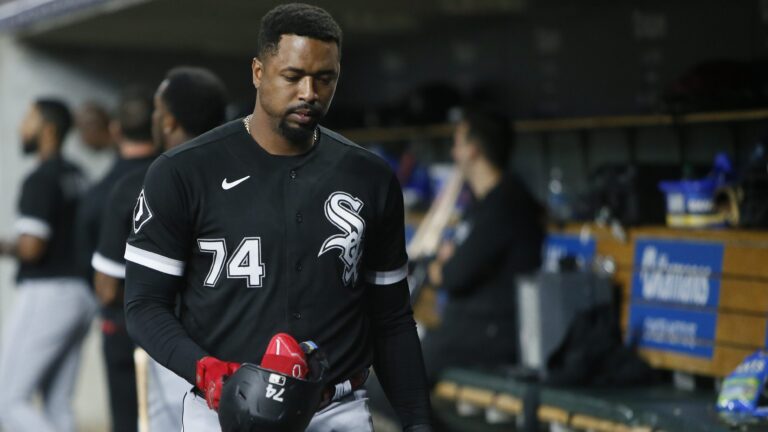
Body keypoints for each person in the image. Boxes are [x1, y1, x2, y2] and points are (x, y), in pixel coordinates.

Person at [123, 4, 432, 431]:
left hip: (335, 408)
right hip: (221, 408)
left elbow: (392, 318)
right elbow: (144, 305)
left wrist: (417, 422)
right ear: (258, 72)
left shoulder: (371, 177)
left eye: (325, 79)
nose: (309, 92)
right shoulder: (183, 171)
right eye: (292, 76)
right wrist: (204, 369)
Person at [93, 66, 228, 432]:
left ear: (167, 121)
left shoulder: (138, 184)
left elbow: (106, 287)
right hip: (237, 352)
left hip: (169, 349)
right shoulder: (250, 177)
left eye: (157, 110)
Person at [421, 106, 545, 387]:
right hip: (469, 328)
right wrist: (444, 265)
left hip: (494, 333)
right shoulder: (482, 203)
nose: (453, 152)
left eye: (457, 143)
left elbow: (452, 275)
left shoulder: (506, 203)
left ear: (473, 150)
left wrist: (443, 266)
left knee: (394, 382)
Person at [0, 98, 97, 432]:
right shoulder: (78, 175)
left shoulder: (41, 178)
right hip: (82, 296)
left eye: (29, 120)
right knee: (57, 405)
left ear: (49, 130)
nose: (21, 128)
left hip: (48, 294)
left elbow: (31, 248)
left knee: (7, 403)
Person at [77, 88, 157, 432]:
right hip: (179, 325)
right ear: (158, 126)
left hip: (121, 320)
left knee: (126, 420)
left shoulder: (101, 192)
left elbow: (96, 277)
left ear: (115, 131)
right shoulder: (181, 178)